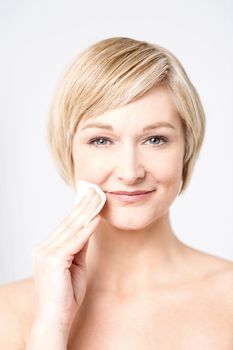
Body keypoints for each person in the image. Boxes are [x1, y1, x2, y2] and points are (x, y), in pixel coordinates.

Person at [0, 36, 232, 349]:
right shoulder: (10, 312)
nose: (130, 171)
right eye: (101, 141)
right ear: (68, 151)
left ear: (186, 149)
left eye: (155, 139)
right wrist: (51, 327)